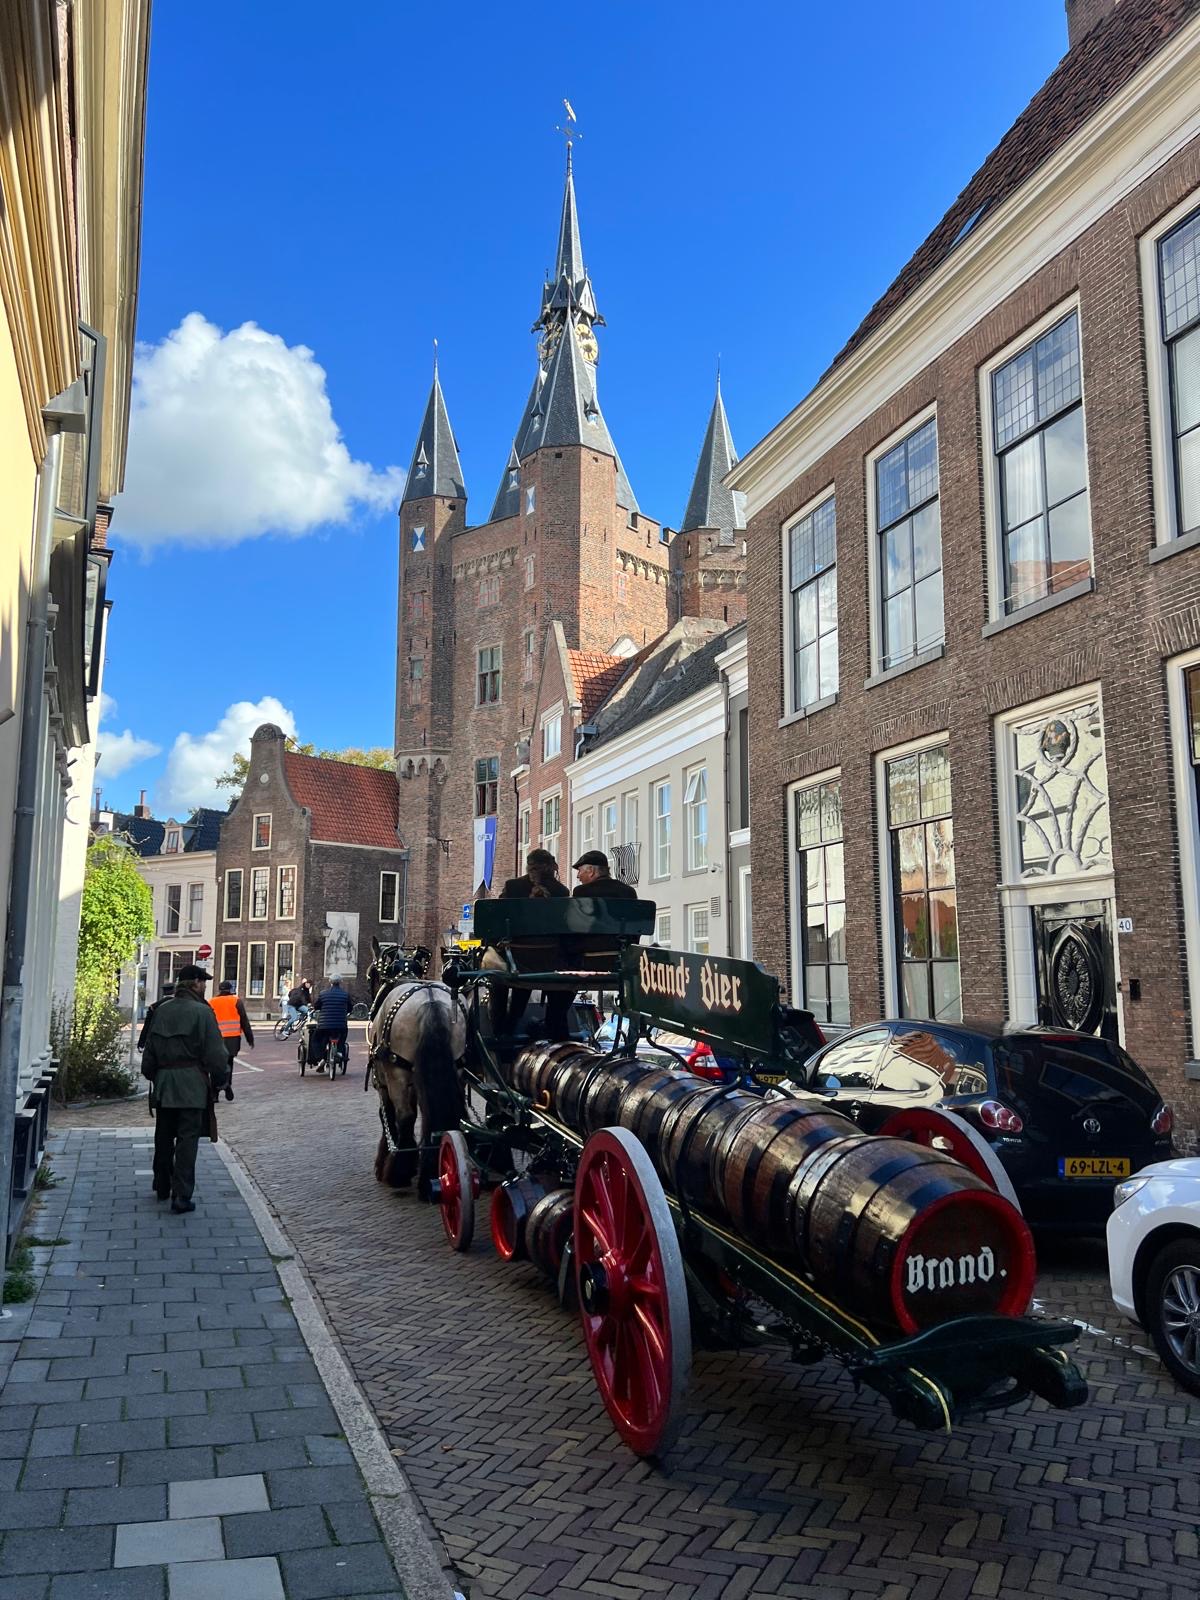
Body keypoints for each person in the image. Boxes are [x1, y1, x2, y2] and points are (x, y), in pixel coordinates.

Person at [140, 963, 228, 1213]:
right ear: (196, 984)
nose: (205, 987)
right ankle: (182, 1196)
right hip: (192, 1086)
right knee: (187, 1141)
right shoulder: (202, 1012)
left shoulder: (161, 1010)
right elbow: (216, 1054)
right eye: (203, 983)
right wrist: (220, 1078)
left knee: (164, 1136)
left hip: (165, 1085)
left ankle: (161, 1183)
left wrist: (155, 1075)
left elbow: (149, 1052)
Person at [486, 849, 569, 1039]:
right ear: (550, 867)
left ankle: (501, 1029)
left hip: (518, 959)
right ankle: (553, 1028)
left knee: (497, 979)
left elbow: (497, 919)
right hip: (551, 960)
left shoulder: (513, 886)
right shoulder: (561, 891)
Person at [209, 980, 254, 1101]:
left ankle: (215, 1093)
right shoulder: (236, 1001)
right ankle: (226, 1084)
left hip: (216, 1038)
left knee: (215, 1064)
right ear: (230, 989)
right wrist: (250, 1038)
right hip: (233, 1038)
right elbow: (244, 1020)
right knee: (229, 1062)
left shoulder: (212, 1002)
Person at [311, 976, 352, 1072]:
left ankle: (321, 1058)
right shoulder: (345, 994)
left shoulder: (323, 994)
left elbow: (316, 1006)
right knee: (343, 1035)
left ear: (330, 982)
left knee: (316, 1039)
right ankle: (340, 1051)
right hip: (340, 1025)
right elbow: (350, 1008)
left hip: (324, 1025)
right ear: (340, 982)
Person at [571, 850, 639, 900]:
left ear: (591, 870)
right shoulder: (629, 891)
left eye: (579, 870)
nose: (578, 876)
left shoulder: (581, 892)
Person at [137, 982, 174, 1051]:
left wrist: (141, 1043)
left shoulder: (154, 1006)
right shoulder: (181, 1005)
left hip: (157, 1040)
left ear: (163, 992)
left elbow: (147, 1026)